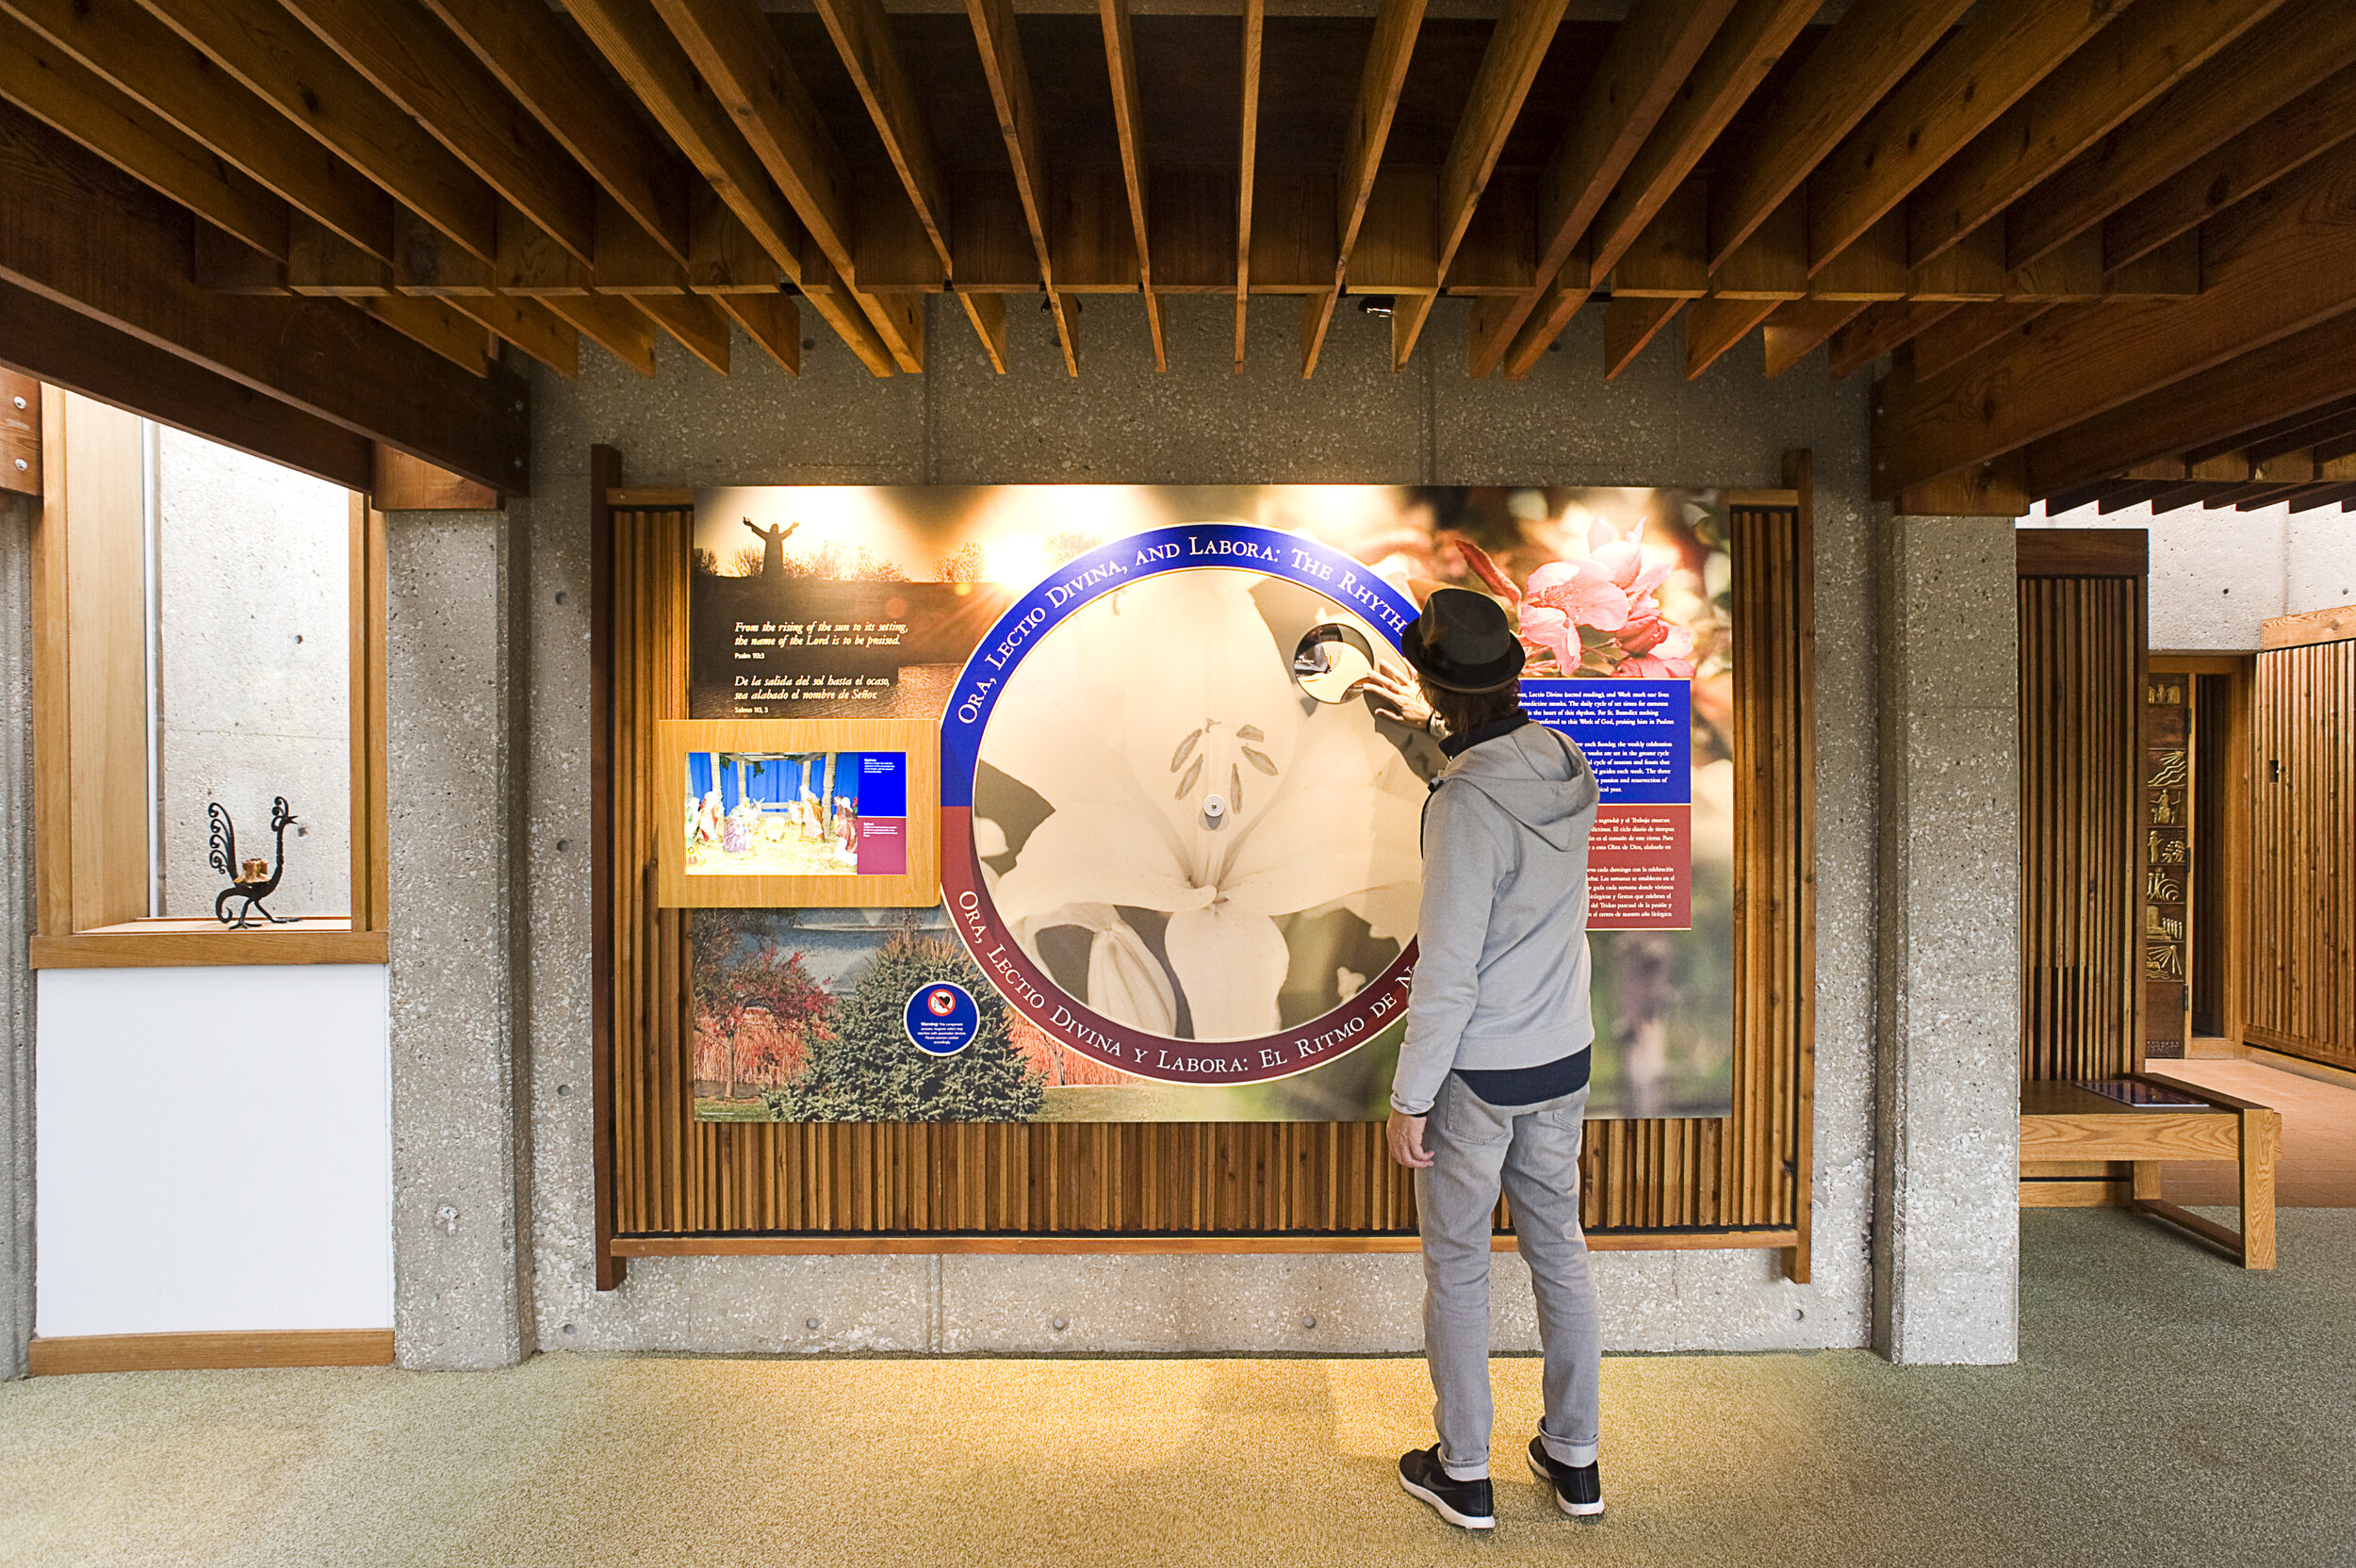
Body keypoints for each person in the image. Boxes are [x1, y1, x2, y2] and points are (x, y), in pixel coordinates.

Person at [1361, 586, 1604, 1531]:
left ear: (1437, 687)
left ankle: (1464, 1470)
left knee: (1458, 1262)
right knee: (1560, 1254)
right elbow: (1484, 755)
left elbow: (1449, 971)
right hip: (1561, 1057)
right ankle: (1573, 1458)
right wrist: (1429, 721)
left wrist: (1409, 1096)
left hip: (1478, 1073)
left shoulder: (1463, 806)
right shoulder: (1562, 762)